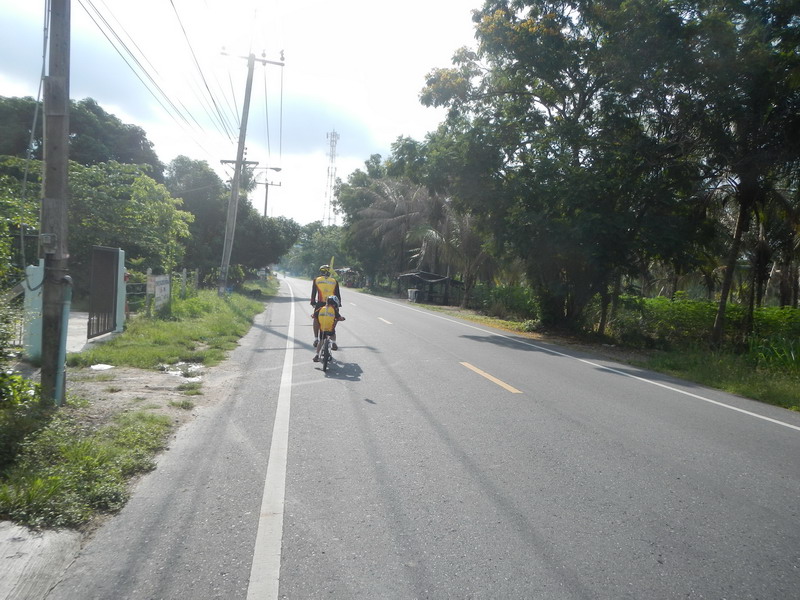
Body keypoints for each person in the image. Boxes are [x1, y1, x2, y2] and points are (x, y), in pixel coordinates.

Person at [310, 264, 341, 347]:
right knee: (335, 319)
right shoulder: (334, 281)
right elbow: (337, 294)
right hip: (332, 303)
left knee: (316, 319)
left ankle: (316, 339)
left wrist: (313, 302)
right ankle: (333, 341)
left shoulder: (316, 280)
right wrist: (339, 305)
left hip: (320, 303)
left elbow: (313, 293)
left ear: (321, 272)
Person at [313, 295, 345, 362]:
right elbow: (339, 318)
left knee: (321, 341)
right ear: (335, 303)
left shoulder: (321, 308)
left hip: (322, 329)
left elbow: (314, 315)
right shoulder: (334, 310)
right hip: (330, 329)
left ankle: (317, 355)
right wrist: (342, 318)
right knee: (333, 334)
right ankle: (334, 343)